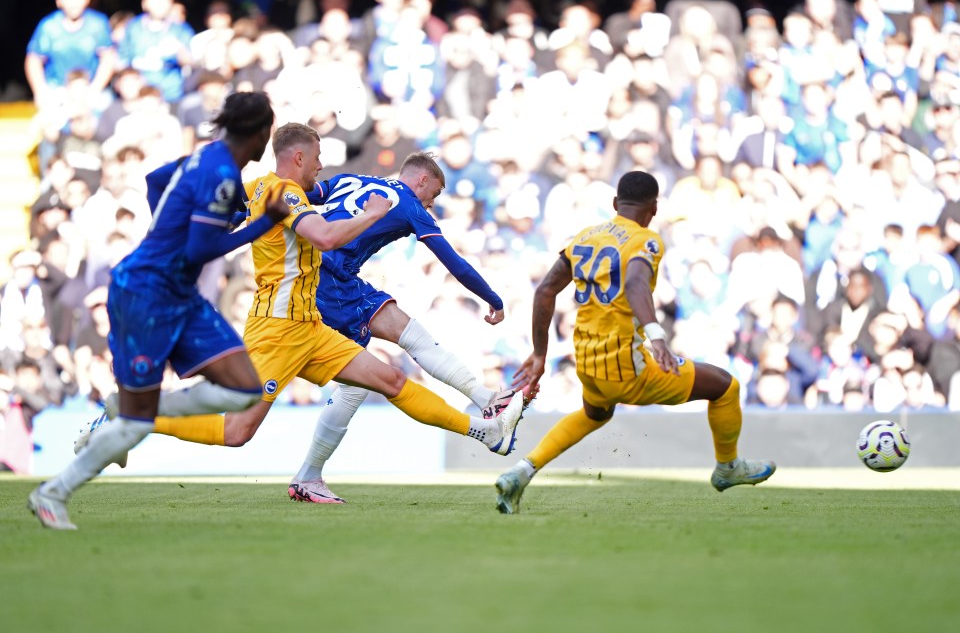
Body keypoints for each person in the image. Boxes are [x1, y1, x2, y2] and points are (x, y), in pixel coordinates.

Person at [95, 124, 525, 492]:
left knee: (388, 377)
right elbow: (324, 237)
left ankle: (484, 429)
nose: (322, 166)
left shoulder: (274, 188)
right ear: (298, 156)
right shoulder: (287, 194)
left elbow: (160, 182)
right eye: (317, 157)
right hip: (283, 323)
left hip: (310, 322)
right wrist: (373, 215)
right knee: (237, 431)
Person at [28, 91, 290, 530]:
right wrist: (264, 223)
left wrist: (161, 232)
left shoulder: (204, 156)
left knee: (247, 388)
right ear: (262, 132)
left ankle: (131, 405)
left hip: (176, 294)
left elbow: (153, 180)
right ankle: (51, 494)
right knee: (134, 425)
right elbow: (200, 249)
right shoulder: (222, 174)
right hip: (146, 293)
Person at [495, 171, 776, 515]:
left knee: (594, 414)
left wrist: (540, 353)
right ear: (654, 208)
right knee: (725, 387)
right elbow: (636, 283)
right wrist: (657, 335)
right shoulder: (647, 240)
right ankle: (728, 467)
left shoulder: (585, 236)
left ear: (615, 204)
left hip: (587, 359)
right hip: (625, 366)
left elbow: (545, 291)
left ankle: (520, 472)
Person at [286, 151, 533, 503]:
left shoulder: (351, 180)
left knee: (405, 339)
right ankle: (308, 476)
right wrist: (493, 299)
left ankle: (486, 402)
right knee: (358, 385)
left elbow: (295, 195)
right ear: (422, 181)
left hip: (329, 278)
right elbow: (454, 263)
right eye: (433, 195)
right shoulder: (409, 203)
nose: (431, 204)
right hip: (330, 286)